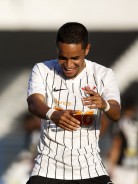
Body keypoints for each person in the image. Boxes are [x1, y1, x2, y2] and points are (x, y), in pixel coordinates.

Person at [26, 22, 121, 184]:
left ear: (87, 49)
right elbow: (34, 103)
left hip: (90, 169)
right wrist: (53, 114)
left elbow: (116, 113)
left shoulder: (103, 74)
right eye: (63, 57)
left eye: (75, 58)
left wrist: (104, 104)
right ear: (57, 49)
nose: (68, 65)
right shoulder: (42, 70)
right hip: (48, 169)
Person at [107, 96, 138, 184]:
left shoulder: (120, 123)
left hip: (120, 165)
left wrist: (111, 166)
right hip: (134, 165)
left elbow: (117, 144)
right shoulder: (135, 123)